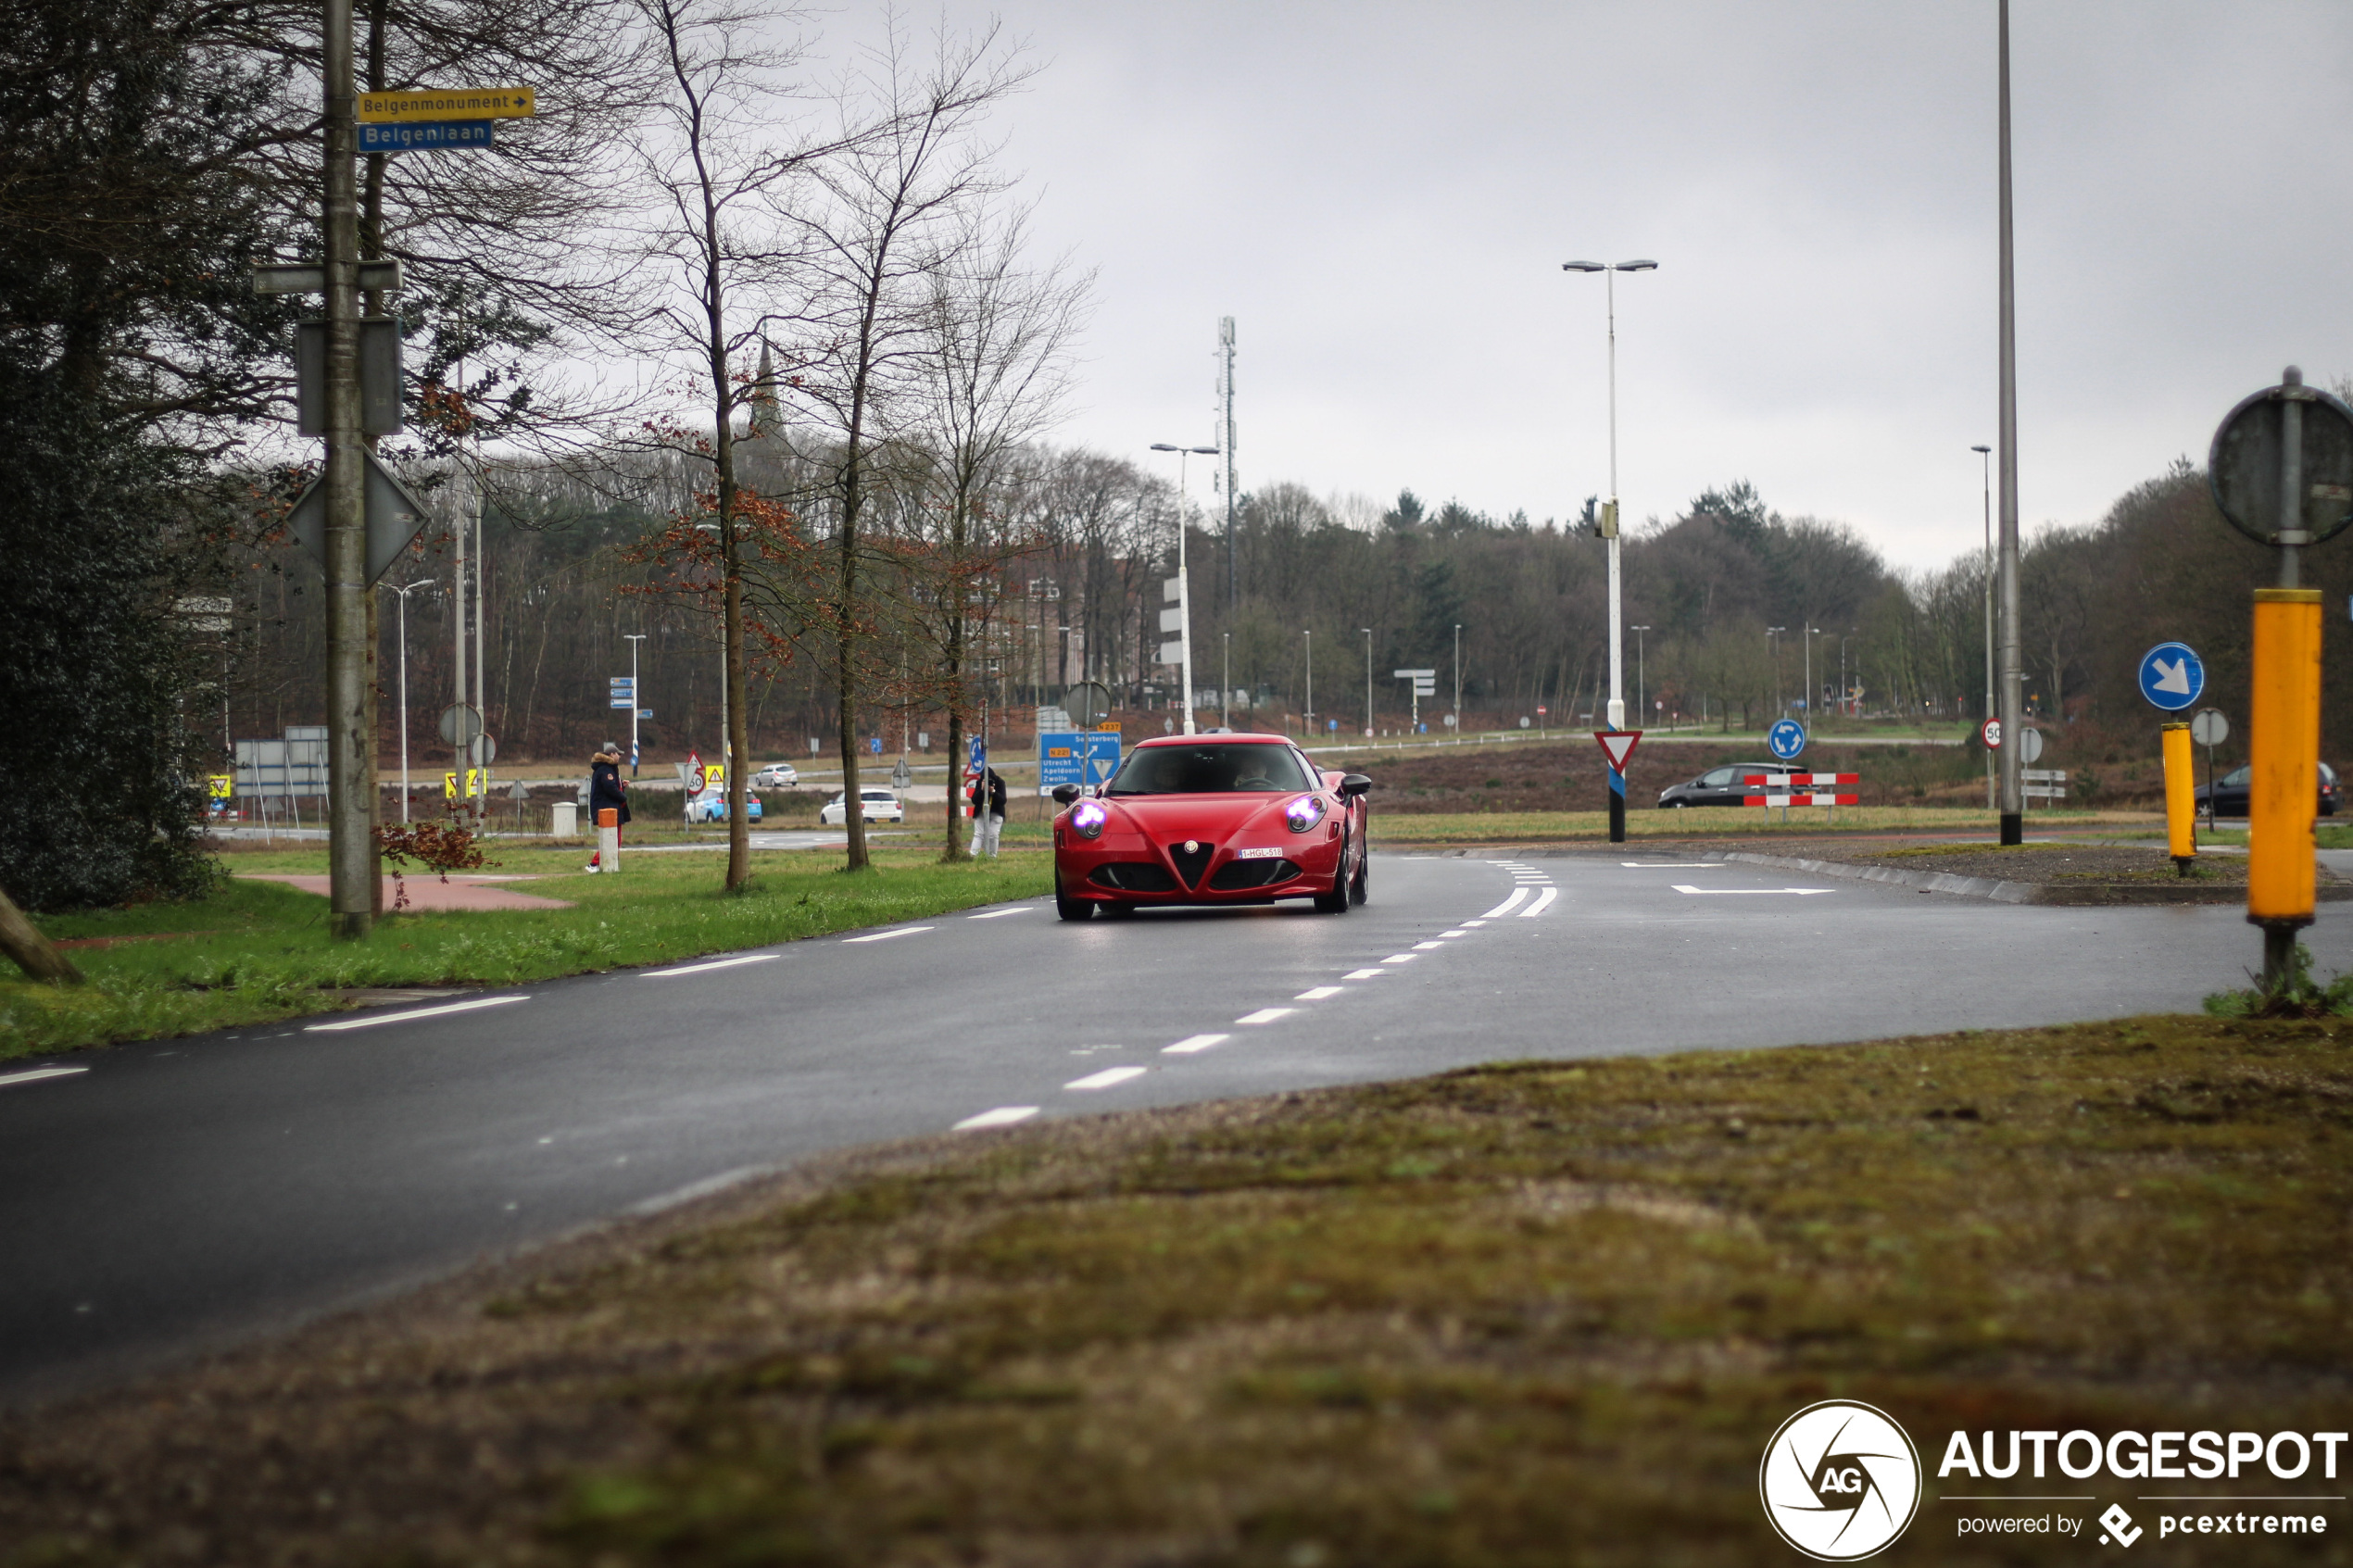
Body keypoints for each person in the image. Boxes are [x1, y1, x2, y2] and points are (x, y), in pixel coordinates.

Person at [585, 742, 630, 872]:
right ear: (612, 754)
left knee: (614, 839)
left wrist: (621, 784)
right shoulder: (606, 769)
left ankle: (608, 865)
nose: (619, 757)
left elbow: (610, 785)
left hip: (611, 808)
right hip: (609, 810)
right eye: (618, 754)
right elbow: (609, 787)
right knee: (612, 840)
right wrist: (623, 796)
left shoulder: (607, 769)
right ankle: (594, 864)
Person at [967, 765, 1007, 858]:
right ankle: (973, 855)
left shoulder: (1000, 783)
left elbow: (1003, 800)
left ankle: (992, 856)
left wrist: (993, 791)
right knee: (978, 834)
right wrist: (982, 790)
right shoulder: (979, 783)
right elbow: (974, 800)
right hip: (981, 812)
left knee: (993, 835)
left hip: (996, 812)